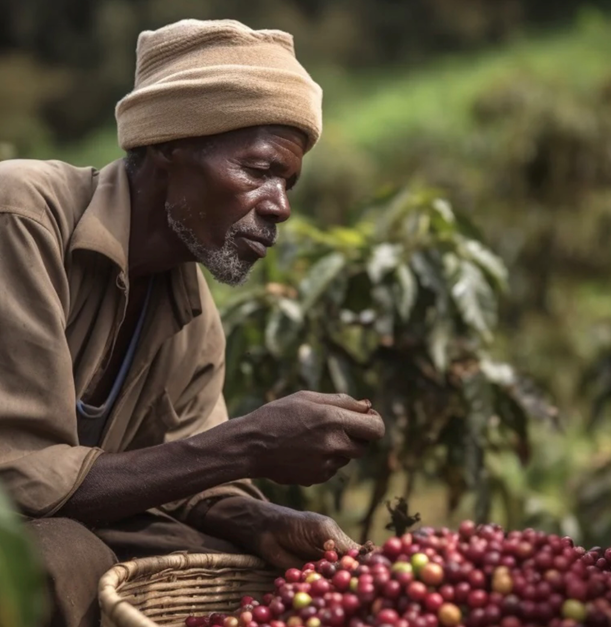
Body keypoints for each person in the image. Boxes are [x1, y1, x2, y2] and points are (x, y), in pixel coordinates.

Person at [0, 18, 385, 627]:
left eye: (288, 182)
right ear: (169, 144)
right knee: (63, 556)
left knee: (241, 572)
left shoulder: (193, 313)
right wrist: (251, 442)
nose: (280, 207)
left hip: (54, 519)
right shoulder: (23, 216)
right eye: (259, 170)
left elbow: (187, 479)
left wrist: (263, 521)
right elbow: (14, 481)